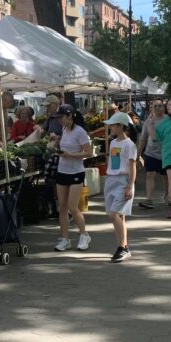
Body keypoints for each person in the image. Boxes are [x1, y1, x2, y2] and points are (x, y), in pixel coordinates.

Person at [53, 104, 93, 252]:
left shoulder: (80, 131)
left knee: (72, 207)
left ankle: (84, 234)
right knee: (62, 208)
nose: (59, 120)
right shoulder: (64, 130)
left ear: (70, 116)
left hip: (76, 172)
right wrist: (57, 145)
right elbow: (65, 146)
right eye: (58, 118)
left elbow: (88, 153)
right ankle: (65, 239)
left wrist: (70, 155)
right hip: (62, 171)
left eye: (61, 117)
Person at [103, 111, 137, 262]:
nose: (110, 127)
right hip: (111, 180)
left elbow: (132, 166)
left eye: (113, 125)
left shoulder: (130, 145)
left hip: (123, 181)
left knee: (114, 214)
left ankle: (122, 248)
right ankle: (123, 246)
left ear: (120, 126)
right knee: (117, 216)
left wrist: (130, 185)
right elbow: (114, 163)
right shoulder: (113, 142)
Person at [137, 100, 166, 209]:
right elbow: (143, 139)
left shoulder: (168, 120)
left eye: (160, 106)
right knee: (149, 174)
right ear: (151, 108)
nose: (158, 108)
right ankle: (149, 199)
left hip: (165, 153)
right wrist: (138, 153)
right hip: (150, 153)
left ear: (163, 107)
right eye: (155, 106)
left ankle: (167, 196)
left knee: (166, 176)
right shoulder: (147, 122)